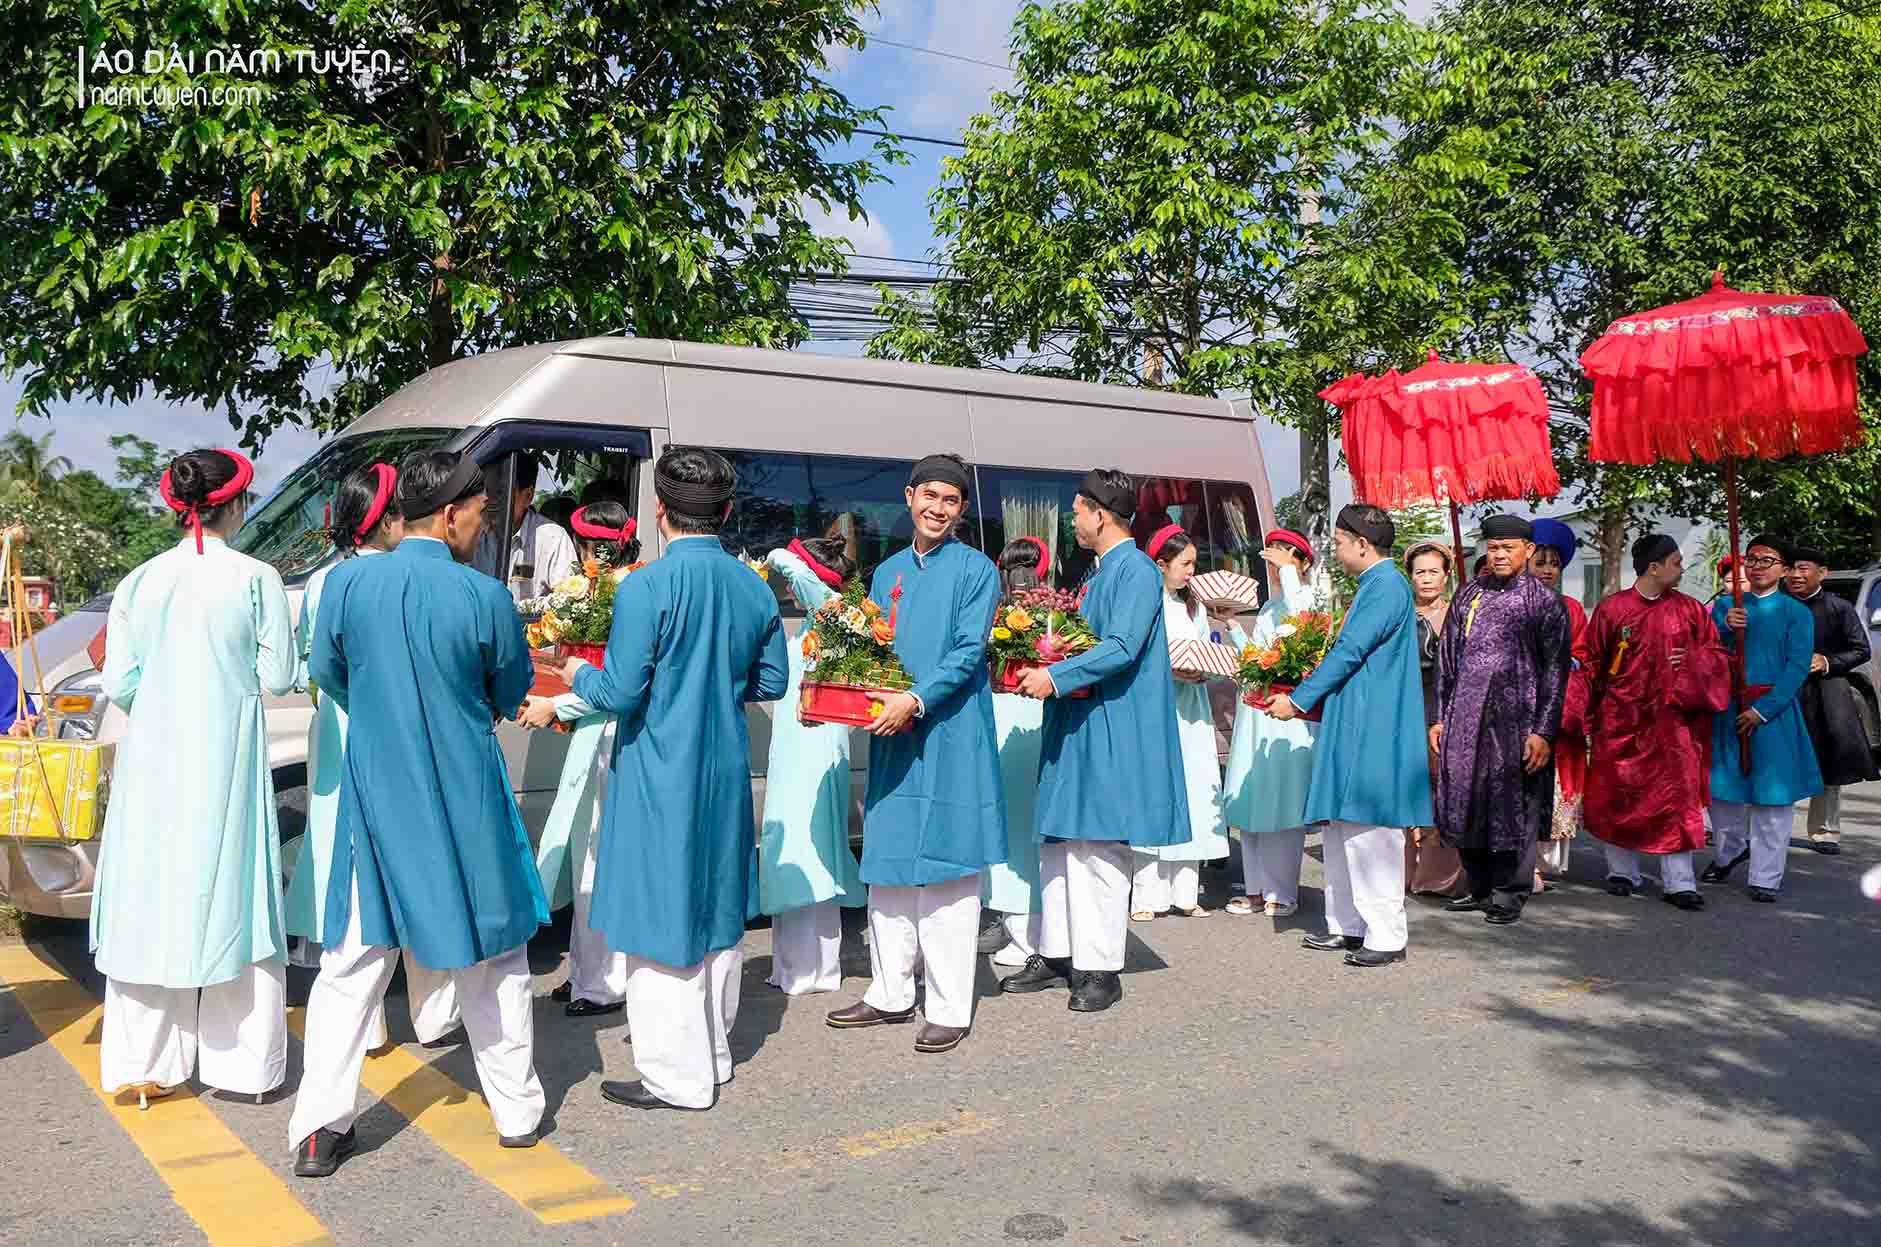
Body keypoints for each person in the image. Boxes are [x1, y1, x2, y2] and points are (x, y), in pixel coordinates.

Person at [291, 450, 548, 1174]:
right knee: (493, 954)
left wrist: (387, 712)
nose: (483, 524)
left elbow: (329, 672)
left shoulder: (346, 584)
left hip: (378, 789)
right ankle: (516, 1112)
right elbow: (510, 689)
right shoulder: (484, 596)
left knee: (352, 962)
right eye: (479, 512)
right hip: (466, 791)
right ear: (450, 513)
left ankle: (319, 1129)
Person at [567, 447, 788, 1109]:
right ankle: (712, 1054)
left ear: (659, 510)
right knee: (716, 904)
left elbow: (618, 691)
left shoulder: (646, 586)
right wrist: (713, 683)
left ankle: (674, 1076)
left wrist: (575, 672)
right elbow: (772, 681)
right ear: (726, 511)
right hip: (723, 764)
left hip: (659, 765)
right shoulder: (752, 585)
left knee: (657, 910)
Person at [89, 449, 296, 1109]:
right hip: (226, 755)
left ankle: (141, 1065)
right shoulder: (257, 577)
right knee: (237, 897)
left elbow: (119, 681)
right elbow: (279, 676)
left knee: (151, 897)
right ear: (235, 503)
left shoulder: (139, 581)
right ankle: (244, 1069)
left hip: (154, 757)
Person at [825, 454, 1006, 1052]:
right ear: (908, 497)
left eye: (950, 500)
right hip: (894, 736)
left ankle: (950, 1006)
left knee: (949, 870)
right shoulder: (887, 573)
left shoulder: (977, 570)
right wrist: (839, 690)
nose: (938, 509)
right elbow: (873, 649)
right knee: (889, 863)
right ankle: (890, 992)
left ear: (961, 509)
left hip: (951, 732)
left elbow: (968, 652)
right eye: (929, 496)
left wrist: (915, 699)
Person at [287, 464, 462, 1046]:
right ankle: (435, 1013)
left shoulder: (323, 581)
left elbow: (314, 669)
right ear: (387, 521)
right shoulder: (408, 576)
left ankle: (366, 1025)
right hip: (397, 733)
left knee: (351, 879)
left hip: (336, 734)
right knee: (418, 864)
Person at [1003, 469, 1189, 1011]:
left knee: (1097, 846)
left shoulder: (1135, 570)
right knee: (1060, 842)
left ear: (1100, 514)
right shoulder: (1100, 570)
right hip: (1078, 721)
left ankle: (1101, 968)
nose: (1073, 521)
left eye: (1077, 511)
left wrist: (1055, 676)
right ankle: (1058, 952)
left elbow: (1123, 645)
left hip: (1111, 722)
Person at [1266, 504, 1428, 967]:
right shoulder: (1373, 585)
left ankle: (1386, 935)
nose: (1335, 551)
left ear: (1362, 543)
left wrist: (1298, 700)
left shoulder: (1386, 585)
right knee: (1340, 825)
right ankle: (1348, 925)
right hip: (1352, 716)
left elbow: (1351, 651)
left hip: (1373, 721)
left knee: (1370, 828)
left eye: (1338, 542)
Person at [518, 502, 644, 1016]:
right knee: (584, 852)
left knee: (599, 852)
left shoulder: (630, 592)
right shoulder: (592, 591)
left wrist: (558, 704)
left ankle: (605, 982)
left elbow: (618, 683)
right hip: (592, 729)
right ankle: (587, 972)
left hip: (613, 732)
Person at [1430, 515, 1571, 925]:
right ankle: (1479, 886)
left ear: (1528, 550)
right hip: (1465, 717)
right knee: (1466, 799)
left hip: (1519, 722)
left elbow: (1556, 672)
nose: (1500, 555)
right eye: (1493, 548)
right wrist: (1439, 718)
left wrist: (1543, 731)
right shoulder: (1468, 594)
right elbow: (1446, 660)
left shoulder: (1544, 602)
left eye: (1508, 548)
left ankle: (1510, 891)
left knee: (1516, 806)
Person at [1578, 534, 1729, 910]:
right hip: (1620, 721)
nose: (1682, 569)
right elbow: (1591, 664)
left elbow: (1716, 656)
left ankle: (1680, 882)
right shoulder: (1612, 609)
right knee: (1618, 796)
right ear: (1654, 567)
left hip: (1673, 726)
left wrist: (1692, 661)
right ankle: (1621, 871)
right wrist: (1586, 717)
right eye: (1676, 562)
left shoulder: (1690, 610)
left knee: (1676, 801)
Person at [755, 535, 865, 994]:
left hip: (816, 751)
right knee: (792, 846)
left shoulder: (836, 615)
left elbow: (803, 578)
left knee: (809, 849)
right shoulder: (814, 624)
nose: (790, 590)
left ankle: (810, 969)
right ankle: (793, 967)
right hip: (795, 750)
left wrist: (773, 557)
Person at [1700, 536, 1823, 902]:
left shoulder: (1796, 613)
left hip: (1773, 713)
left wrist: (1763, 710)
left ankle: (1766, 876)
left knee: (1772, 798)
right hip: (1727, 709)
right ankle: (1729, 852)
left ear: (1784, 570)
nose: (1756, 566)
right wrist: (1724, 628)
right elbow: (1705, 653)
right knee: (1722, 793)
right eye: (1751, 559)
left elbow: (1797, 667)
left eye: (1766, 560)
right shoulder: (1726, 606)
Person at [1129, 525, 1229, 921]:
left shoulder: (1194, 608)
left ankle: (1185, 893)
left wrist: (1204, 670)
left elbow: (1204, 649)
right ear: (1160, 563)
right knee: (1157, 791)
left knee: (1194, 790)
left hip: (1193, 710)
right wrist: (1168, 672)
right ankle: (1147, 897)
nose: (1191, 571)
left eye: (1193, 564)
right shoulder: (1144, 604)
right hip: (1158, 708)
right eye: (1185, 564)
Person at [1221, 529, 1320, 918]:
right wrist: (1233, 628)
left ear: (1303, 562)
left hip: (1288, 715)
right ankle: (1255, 888)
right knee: (1252, 797)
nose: (1276, 564)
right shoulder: (1268, 607)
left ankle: (1283, 891)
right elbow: (1256, 658)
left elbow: (1304, 623)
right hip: (1257, 709)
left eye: (1285, 556)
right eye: (1273, 556)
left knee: (1283, 800)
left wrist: (1289, 573)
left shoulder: (1310, 597)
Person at [1785, 546, 1878, 854]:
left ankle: (1825, 831)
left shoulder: (1839, 608)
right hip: (1784, 691)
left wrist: (1827, 662)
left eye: (1803, 568)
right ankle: (1771, 827)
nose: (1796, 575)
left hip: (1826, 690)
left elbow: (1861, 649)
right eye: (1791, 568)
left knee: (1828, 760)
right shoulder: (1778, 606)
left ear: (1822, 573)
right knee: (1780, 759)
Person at [984, 537, 1051, 967]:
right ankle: (1020, 926)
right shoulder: (1052, 618)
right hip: (1020, 719)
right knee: (1017, 824)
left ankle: (1028, 933)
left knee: (1016, 825)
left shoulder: (1011, 619)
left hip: (1019, 719)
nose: (1020, 581)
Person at [1402, 540, 1467, 899]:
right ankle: (1402, 872)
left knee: (1443, 788)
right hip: (1403, 707)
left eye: (1433, 572)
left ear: (1446, 576)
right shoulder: (1399, 616)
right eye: (1420, 572)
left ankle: (1438, 876)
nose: (1426, 579)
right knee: (1404, 787)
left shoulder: (1460, 615)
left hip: (1445, 708)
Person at [1527, 518, 1590, 889]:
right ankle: (1525, 864)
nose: (1548, 570)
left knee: (1555, 785)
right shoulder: (1514, 602)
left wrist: (1566, 663)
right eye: (1541, 562)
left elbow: (1584, 654)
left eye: (1554, 564)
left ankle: (1545, 862)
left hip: (1559, 707)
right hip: (1522, 708)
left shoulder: (1572, 608)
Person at [495, 453, 577, 598]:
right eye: (485, 489)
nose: (490, 499)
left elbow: (567, 600)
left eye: (500, 492)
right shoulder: (476, 533)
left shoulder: (553, 539)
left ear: (528, 496)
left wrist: (522, 607)